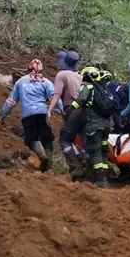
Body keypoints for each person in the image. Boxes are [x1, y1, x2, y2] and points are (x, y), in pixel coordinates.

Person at [0, 59, 59, 172]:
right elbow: (54, 99)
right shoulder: (46, 82)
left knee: (31, 138)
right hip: (43, 113)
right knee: (47, 140)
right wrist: (62, 111)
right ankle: (49, 169)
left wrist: (2, 116)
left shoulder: (20, 82)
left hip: (28, 115)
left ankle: (42, 156)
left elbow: (10, 102)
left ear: (28, 68)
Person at [69, 66, 113, 188]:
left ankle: (100, 180)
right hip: (106, 126)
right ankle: (105, 178)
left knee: (95, 151)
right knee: (103, 151)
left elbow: (81, 99)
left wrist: (69, 110)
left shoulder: (87, 86)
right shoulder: (103, 89)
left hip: (93, 126)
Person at [48, 50, 87, 180]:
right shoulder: (81, 75)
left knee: (65, 140)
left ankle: (76, 167)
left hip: (72, 110)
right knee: (82, 140)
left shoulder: (62, 75)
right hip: (85, 111)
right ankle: (86, 162)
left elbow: (57, 94)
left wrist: (50, 109)